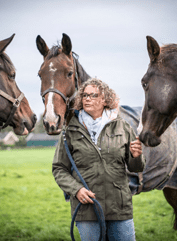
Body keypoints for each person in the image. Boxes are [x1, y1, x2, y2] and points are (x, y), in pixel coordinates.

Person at [52, 78, 145, 241]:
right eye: (85, 95)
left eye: (93, 95)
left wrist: (136, 156)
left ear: (105, 99)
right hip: (87, 209)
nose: (87, 98)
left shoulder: (122, 127)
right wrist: (76, 190)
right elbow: (59, 168)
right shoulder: (70, 131)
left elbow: (136, 167)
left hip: (119, 208)